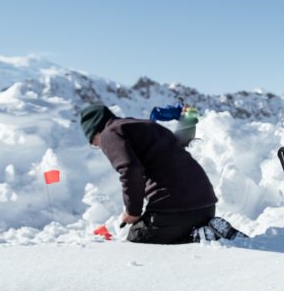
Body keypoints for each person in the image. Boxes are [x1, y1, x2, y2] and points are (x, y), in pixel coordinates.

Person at [79, 104, 238, 243]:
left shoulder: (109, 133)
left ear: (95, 132)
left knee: (137, 236)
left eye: (94, 143)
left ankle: (199, 236)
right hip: (206, 206)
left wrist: (132, 211)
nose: (99, 146)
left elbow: (130, 169)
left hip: (176, 210)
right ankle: (206, 229)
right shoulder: (143, 125)